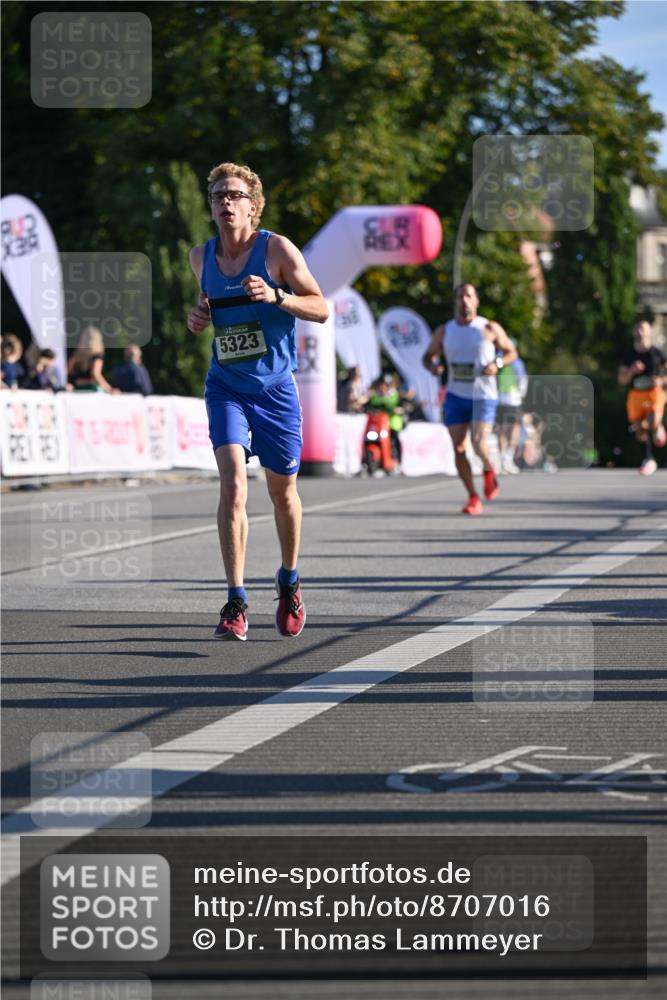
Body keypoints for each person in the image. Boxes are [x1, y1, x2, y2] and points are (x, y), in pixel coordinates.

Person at [186, 162, 328, 641]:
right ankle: (236, 600)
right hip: (226, 386)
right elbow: (211, 309)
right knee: (233, 486)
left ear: (253, 205)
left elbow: (321, 308)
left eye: (233, 195)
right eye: (217, 196)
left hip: (275, 391)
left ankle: (289, 580)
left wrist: (277, 296)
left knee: (282, 494)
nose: (224, 203)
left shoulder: (276, 250)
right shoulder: (199, 257)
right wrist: (199, 318)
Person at [422, 283, 516, 514]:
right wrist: (434, 368)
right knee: (459, 448)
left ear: (476, 301)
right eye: (460, 296)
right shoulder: (445, 330)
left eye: (469, 296)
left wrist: (498, 364)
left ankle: (487, 468)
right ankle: (473, 497)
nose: (464, 300)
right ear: (455, 301)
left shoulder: (489, 327)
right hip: (455, 395)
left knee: (478, 441)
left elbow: (511, 352)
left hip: (483, 395)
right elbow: (427, 357)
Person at [618, 319, 667, 475]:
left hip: (654, 393)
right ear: (634, 333)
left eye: (643, 329)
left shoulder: (657, 353)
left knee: (652, 420)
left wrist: (661, 380)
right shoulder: (629, 355)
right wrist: (632, 371)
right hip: (635, 395)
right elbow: (622, 379)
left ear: (649, 332)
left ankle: (657, 426)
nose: (640, 332)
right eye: (638, 329)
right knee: (639, 429)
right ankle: (649, 459)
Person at [495, 340, 528, 474]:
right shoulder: (515, 363)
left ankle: (506, 459)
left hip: (506, 400)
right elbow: (522, 382)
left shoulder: (500, 361)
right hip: (508, 400)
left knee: (505, 431)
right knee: (507, 431)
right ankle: (505, 459)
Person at [68, 326, 116, 392]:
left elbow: (70, 371)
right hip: (90, 388)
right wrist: (109, 388)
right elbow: (96, 374)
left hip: (76, 387)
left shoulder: (76, 355)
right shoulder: (97, 356)